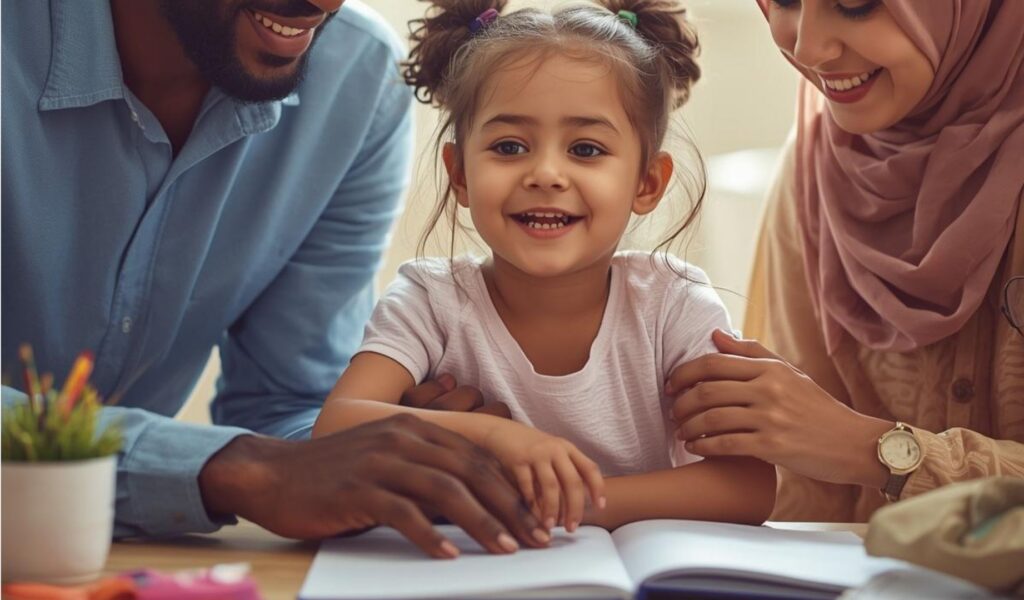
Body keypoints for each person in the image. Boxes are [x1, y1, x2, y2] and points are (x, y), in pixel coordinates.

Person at [1, 0, 549, 556]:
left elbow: (285, 400)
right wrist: (236, 470)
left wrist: (371, 452)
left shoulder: (353, 81)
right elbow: (263, 466)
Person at [311, 0, 777, 553]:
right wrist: (494, 436)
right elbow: (336, 429)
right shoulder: (428, 301)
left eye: (586, 149)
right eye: (509, 147)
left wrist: (572, 500)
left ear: (647, 183)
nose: (546, 174)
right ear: (459, 173)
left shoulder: (675, 305)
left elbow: (748, 485)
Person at [669, 0, 1023, 521]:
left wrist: (873, 451)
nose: (807, 47)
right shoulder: (818, 167)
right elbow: (800, 489)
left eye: (856, 5)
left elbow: (831, 447)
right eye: (786, 1)